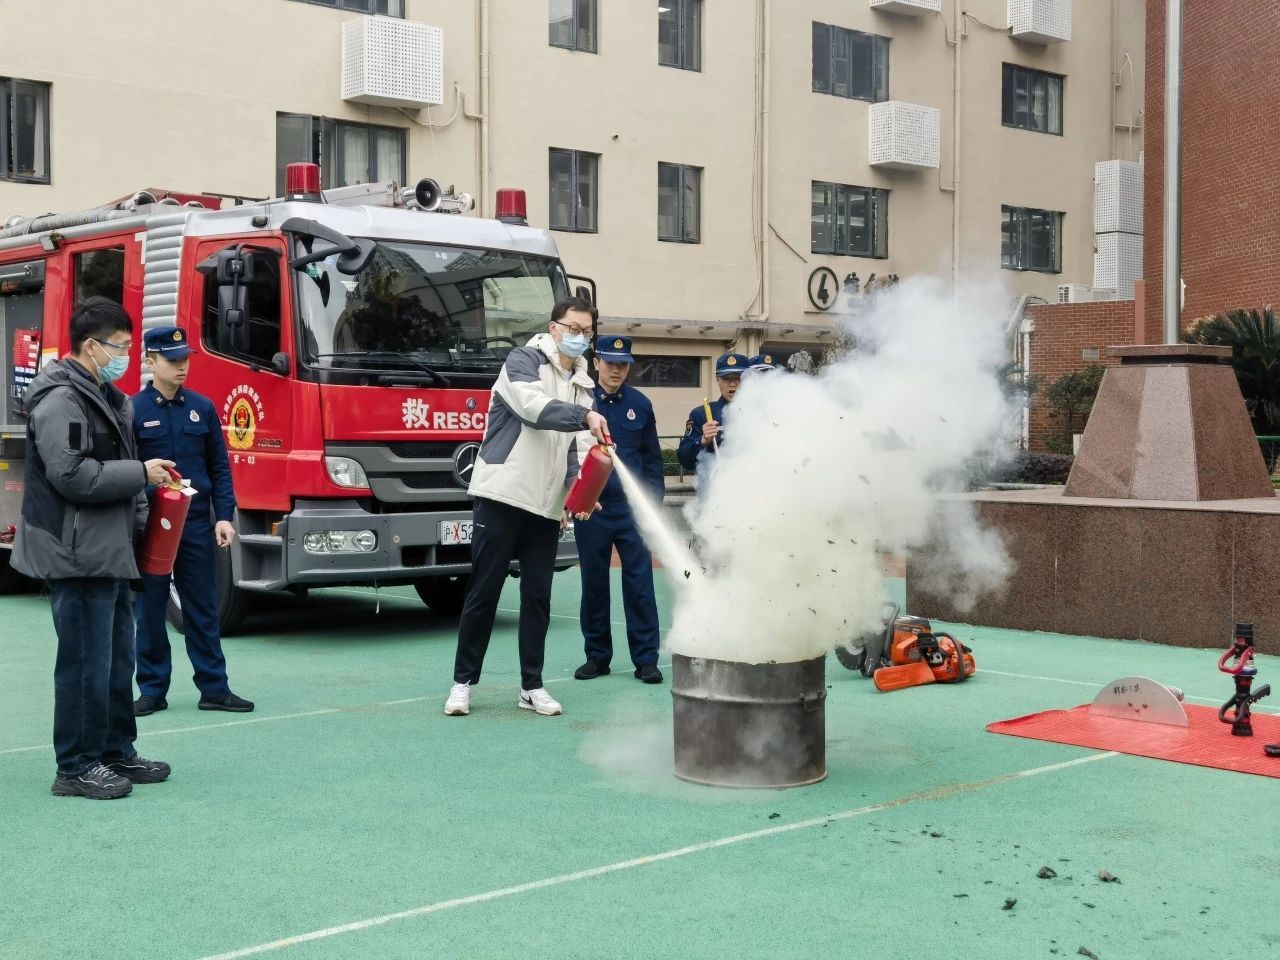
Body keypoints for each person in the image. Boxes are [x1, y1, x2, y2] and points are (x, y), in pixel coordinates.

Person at [11, 297, 174, 799]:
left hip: (108, 549)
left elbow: (111, 473)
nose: (128, 356)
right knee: (85, 660)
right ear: (91, 347)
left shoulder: (106, 396)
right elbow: (72, 475)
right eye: (121, 347)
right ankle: (76, 767)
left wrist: (144, 517)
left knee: (115, 658)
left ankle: (114, 751)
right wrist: (141, 475)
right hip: (76, 552)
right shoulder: (61, 401)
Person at [445, 297, 611, 718]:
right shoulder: (523, 361)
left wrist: (582, 495)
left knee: (538, 596)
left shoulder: (583, 381)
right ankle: (462, 684)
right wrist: (583, 417)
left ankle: (531, 686)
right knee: (484, 591)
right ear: (554, 328)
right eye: (572, 328)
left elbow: (584, 446)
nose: (579, 338)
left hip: (546, 505)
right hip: (503, 493)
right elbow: (533, 408)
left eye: (586, 332)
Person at [131, 326, 253, 717]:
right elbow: (127, 471)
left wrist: (224, 517)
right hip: (151, 523)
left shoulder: (202, 406)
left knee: (201, 607)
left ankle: (214, 688)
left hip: (197, 522)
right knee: (150, 608)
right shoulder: (132, 410)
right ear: (151, 362)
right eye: (172, 360)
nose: (182, 366)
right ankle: (151, 690)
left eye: (185, 359)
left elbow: (220, 467)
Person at [573, 336, 666, 685]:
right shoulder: (582, 402)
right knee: (594, 583)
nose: (616, 369)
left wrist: (651, 507)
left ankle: (646, 660)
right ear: (597, 362)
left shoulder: (640, 404)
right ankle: (597, 657)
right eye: (610, 362)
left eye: (623, 363)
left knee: (640, 584)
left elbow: (653, 461)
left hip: (632, 512)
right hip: (592, 510)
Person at [676, 352, 748, 473]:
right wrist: (703, 440)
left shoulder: (762, 412)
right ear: (717, 380)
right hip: (716, 488)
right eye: (726, 378)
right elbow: (684, 460)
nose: (732, 384)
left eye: (738, 378)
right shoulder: (702, 414)